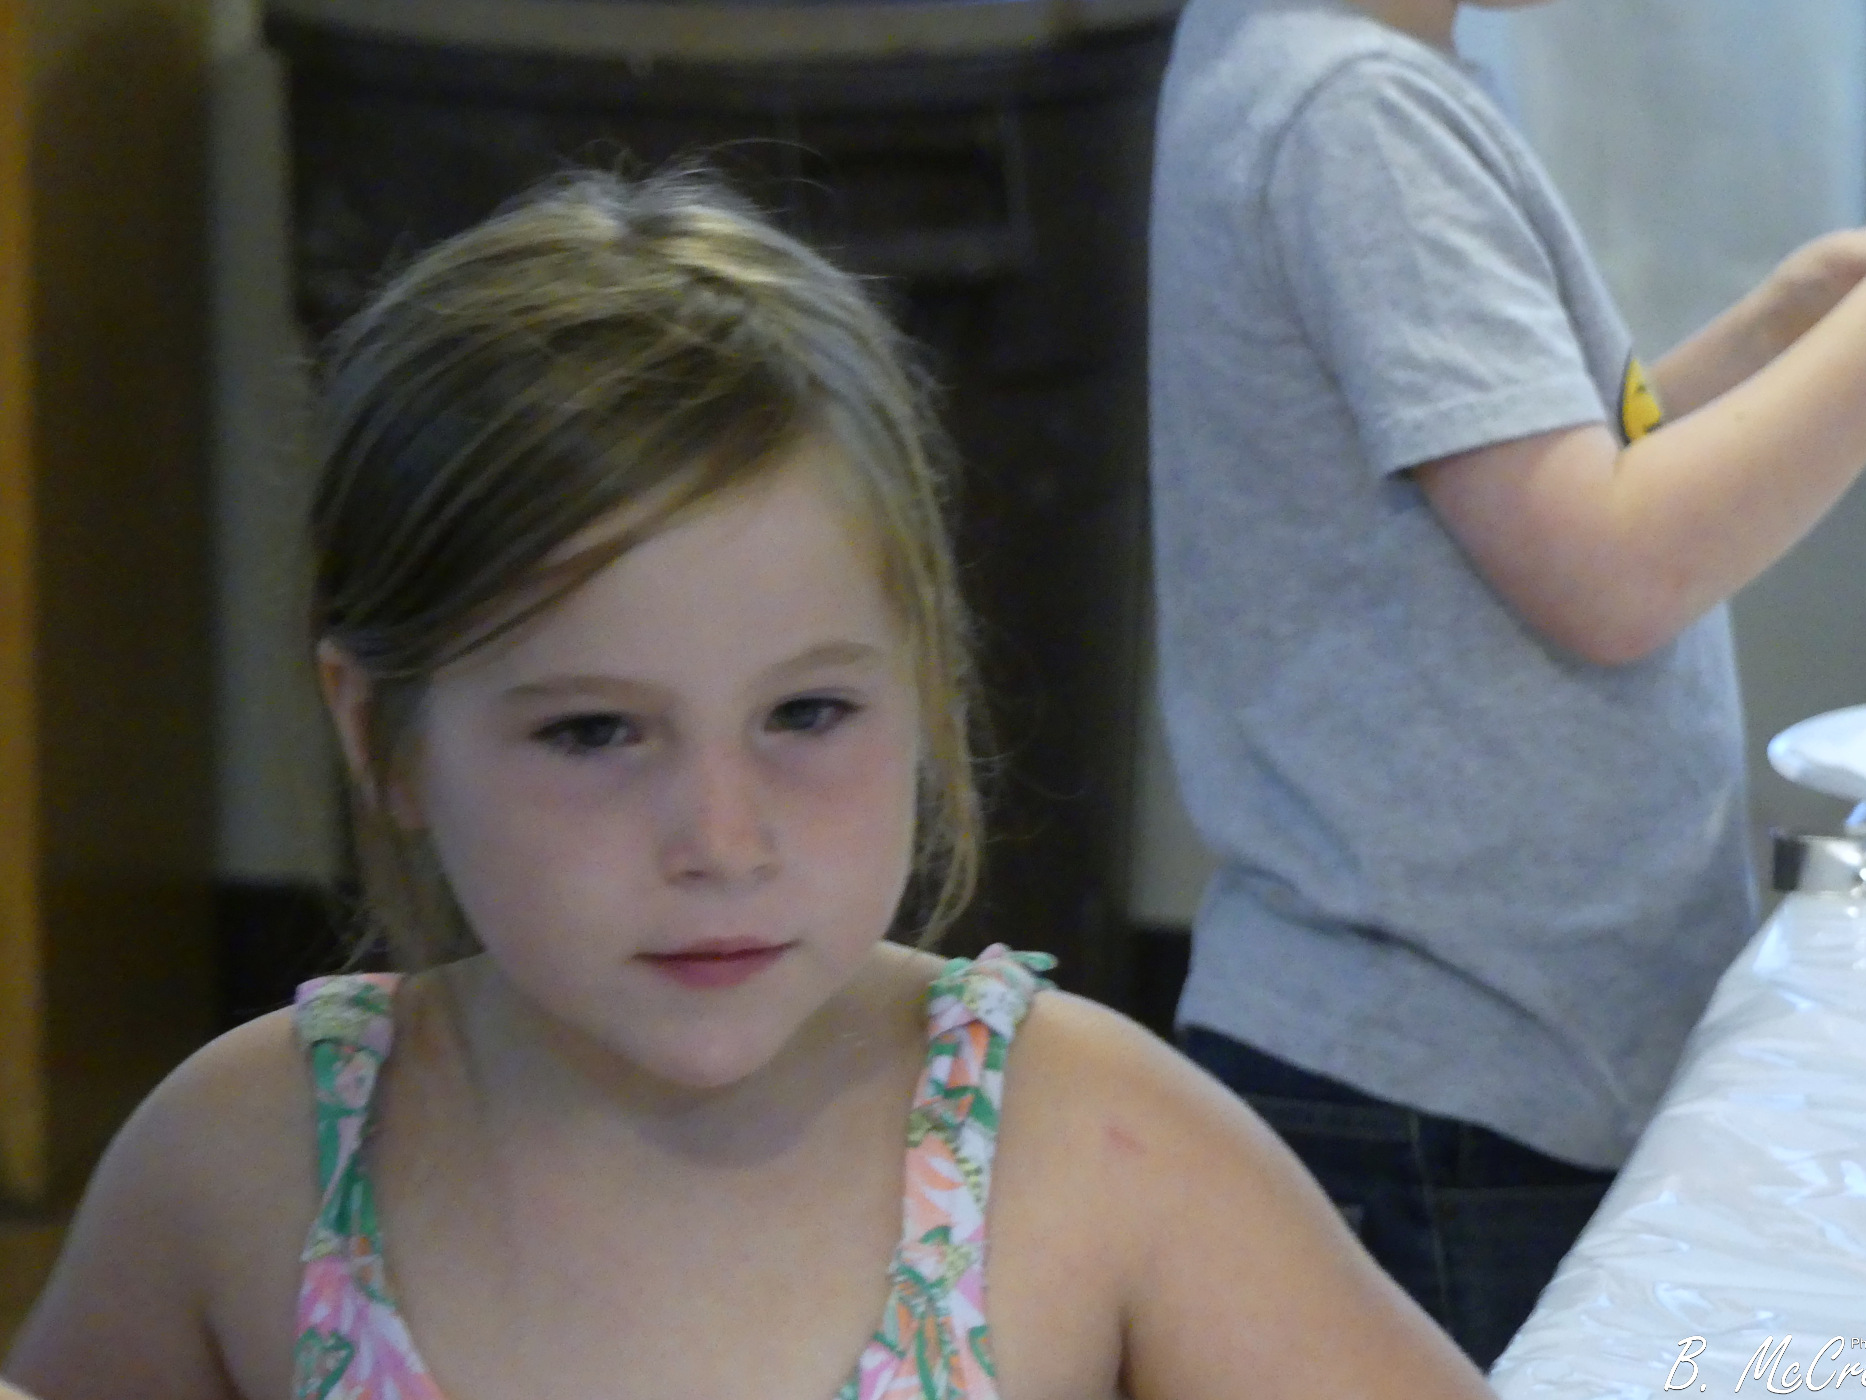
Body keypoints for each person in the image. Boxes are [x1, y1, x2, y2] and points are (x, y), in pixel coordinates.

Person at [3, 170, 1494, 1400]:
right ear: (381, 734)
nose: (721, 840)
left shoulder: (1101, 1151)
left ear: (923, 685)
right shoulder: (242, 1166)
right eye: (595, 733)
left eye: (806, 713)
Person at [1148, 0, 1866, 1369]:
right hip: (1447, 1084)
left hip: (1485, 1058)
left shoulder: (1326, 57)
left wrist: (1772, 333)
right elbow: (1611, 575)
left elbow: (1534, 475)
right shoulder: (1354, 112)